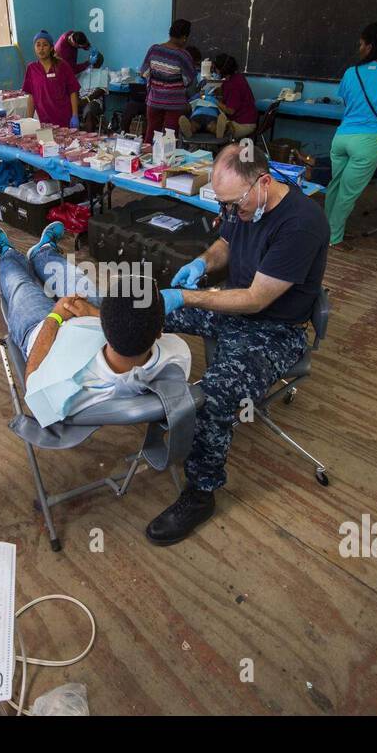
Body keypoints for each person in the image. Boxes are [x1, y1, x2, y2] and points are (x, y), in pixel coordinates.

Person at [150, 144, 329, 545]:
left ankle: (201, 493)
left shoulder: (302, 223)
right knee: (143, 311)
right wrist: (201, 263)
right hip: (232, 306)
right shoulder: (245, 204)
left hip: (273, 329)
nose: (230, 213)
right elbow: (225, 246)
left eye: (235, 204)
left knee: (213, 399)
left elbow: (255, 299)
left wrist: (188, 297)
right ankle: (141, 401)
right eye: (224, 205)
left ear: (264, 182)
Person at [0, 220, 190, 426]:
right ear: (159, 332)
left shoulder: (67, 384)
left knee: (19, 285)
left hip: (43, 334)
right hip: (88, 322)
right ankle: (42, 252)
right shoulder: (178, 355)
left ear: (105, 328)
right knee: (73, 277)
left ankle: (7, 254)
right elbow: (128, 326)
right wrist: (91, 311)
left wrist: (54, 319)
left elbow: (32, 384)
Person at [324, 20, 377, 251]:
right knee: (348, 193)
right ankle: (334, 238)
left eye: (362, 44)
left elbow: (347, 101)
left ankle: (325, 230)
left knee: (335, 185)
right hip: (368, 141)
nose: (359, 48)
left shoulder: (351, 72)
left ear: (371, 46)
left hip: (341, 137)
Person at [140, 19, 196, 143]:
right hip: (174, 104)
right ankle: (165, 162)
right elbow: (189, 80)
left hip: (154, 101)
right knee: (169, 139)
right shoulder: (183, 56)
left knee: (151, 134)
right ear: (184, 37)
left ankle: (145, 160)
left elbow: (143, 73)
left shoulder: (154, 50)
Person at [21, 30, 81, 128]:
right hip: (44, 121)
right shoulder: (31, 68)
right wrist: (29, 120)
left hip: (64, 118)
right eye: (38, 45)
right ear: (34, 48)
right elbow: (31, 97)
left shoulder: (62, 66)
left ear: (51, 48)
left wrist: (75, 115)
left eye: (45, 45)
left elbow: (73, 91)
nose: (41, 49)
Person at [212, 53, 258, 140]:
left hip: (244, 124)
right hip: (248, 118)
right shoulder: (238, 77)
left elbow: (230, 111)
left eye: (216, 68)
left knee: (213, 130)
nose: (215, 71)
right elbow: (229, 96)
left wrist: (215, 101)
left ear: (222, 70)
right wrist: (220, 93)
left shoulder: (233, 85)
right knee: (216, 125)